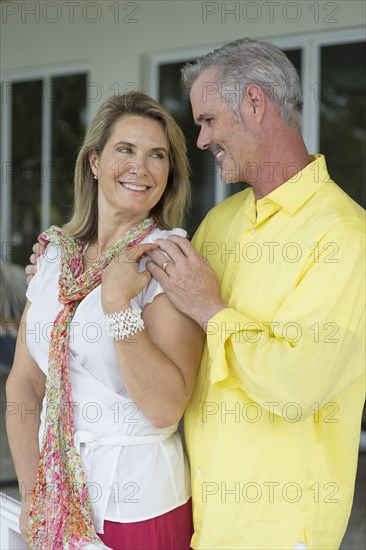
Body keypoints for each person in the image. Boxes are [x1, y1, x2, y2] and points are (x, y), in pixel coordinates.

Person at [25, 39, 365, 550]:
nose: (201, 140)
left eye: (207, 120)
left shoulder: (344, 236)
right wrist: (59, 272)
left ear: (254, 102)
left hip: (277, 529)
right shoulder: (220, 224)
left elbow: (298, 388)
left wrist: (210, 308)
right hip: (200, 517)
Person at [6, 91, 203, 550]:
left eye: (157, 155)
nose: (141, 167)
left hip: (136, 504)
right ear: (93, 161)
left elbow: (164, 408)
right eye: (125, 150)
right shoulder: (54, 255)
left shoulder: (169, 260)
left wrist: (117, 307)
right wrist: (33, 492)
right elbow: (24, 385)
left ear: (169, 174)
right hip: (57, 499)